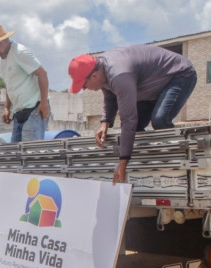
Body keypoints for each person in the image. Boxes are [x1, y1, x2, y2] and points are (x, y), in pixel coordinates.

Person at [67, 45, 197, 184]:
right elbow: (110, 96)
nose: (85, 89)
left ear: (94, 76)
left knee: (159, 120)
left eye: (84, 86)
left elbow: (128, 120)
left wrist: (122, 163)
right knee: (137, 127)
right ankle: (148, 167)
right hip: (149, 86)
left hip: (179, 75)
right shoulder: (102, 69)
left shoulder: (119, 75)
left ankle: (177, 166)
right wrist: (105, 123)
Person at [0, 24, 50, 143]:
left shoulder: (19, 52)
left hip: (34, 108)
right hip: (18, 111)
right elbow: (9, 85)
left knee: (30, 152)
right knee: (15, 153)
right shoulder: (0, 62)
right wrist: (7, 107)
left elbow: (42, 74)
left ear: (6, 40)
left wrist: (43, 103)